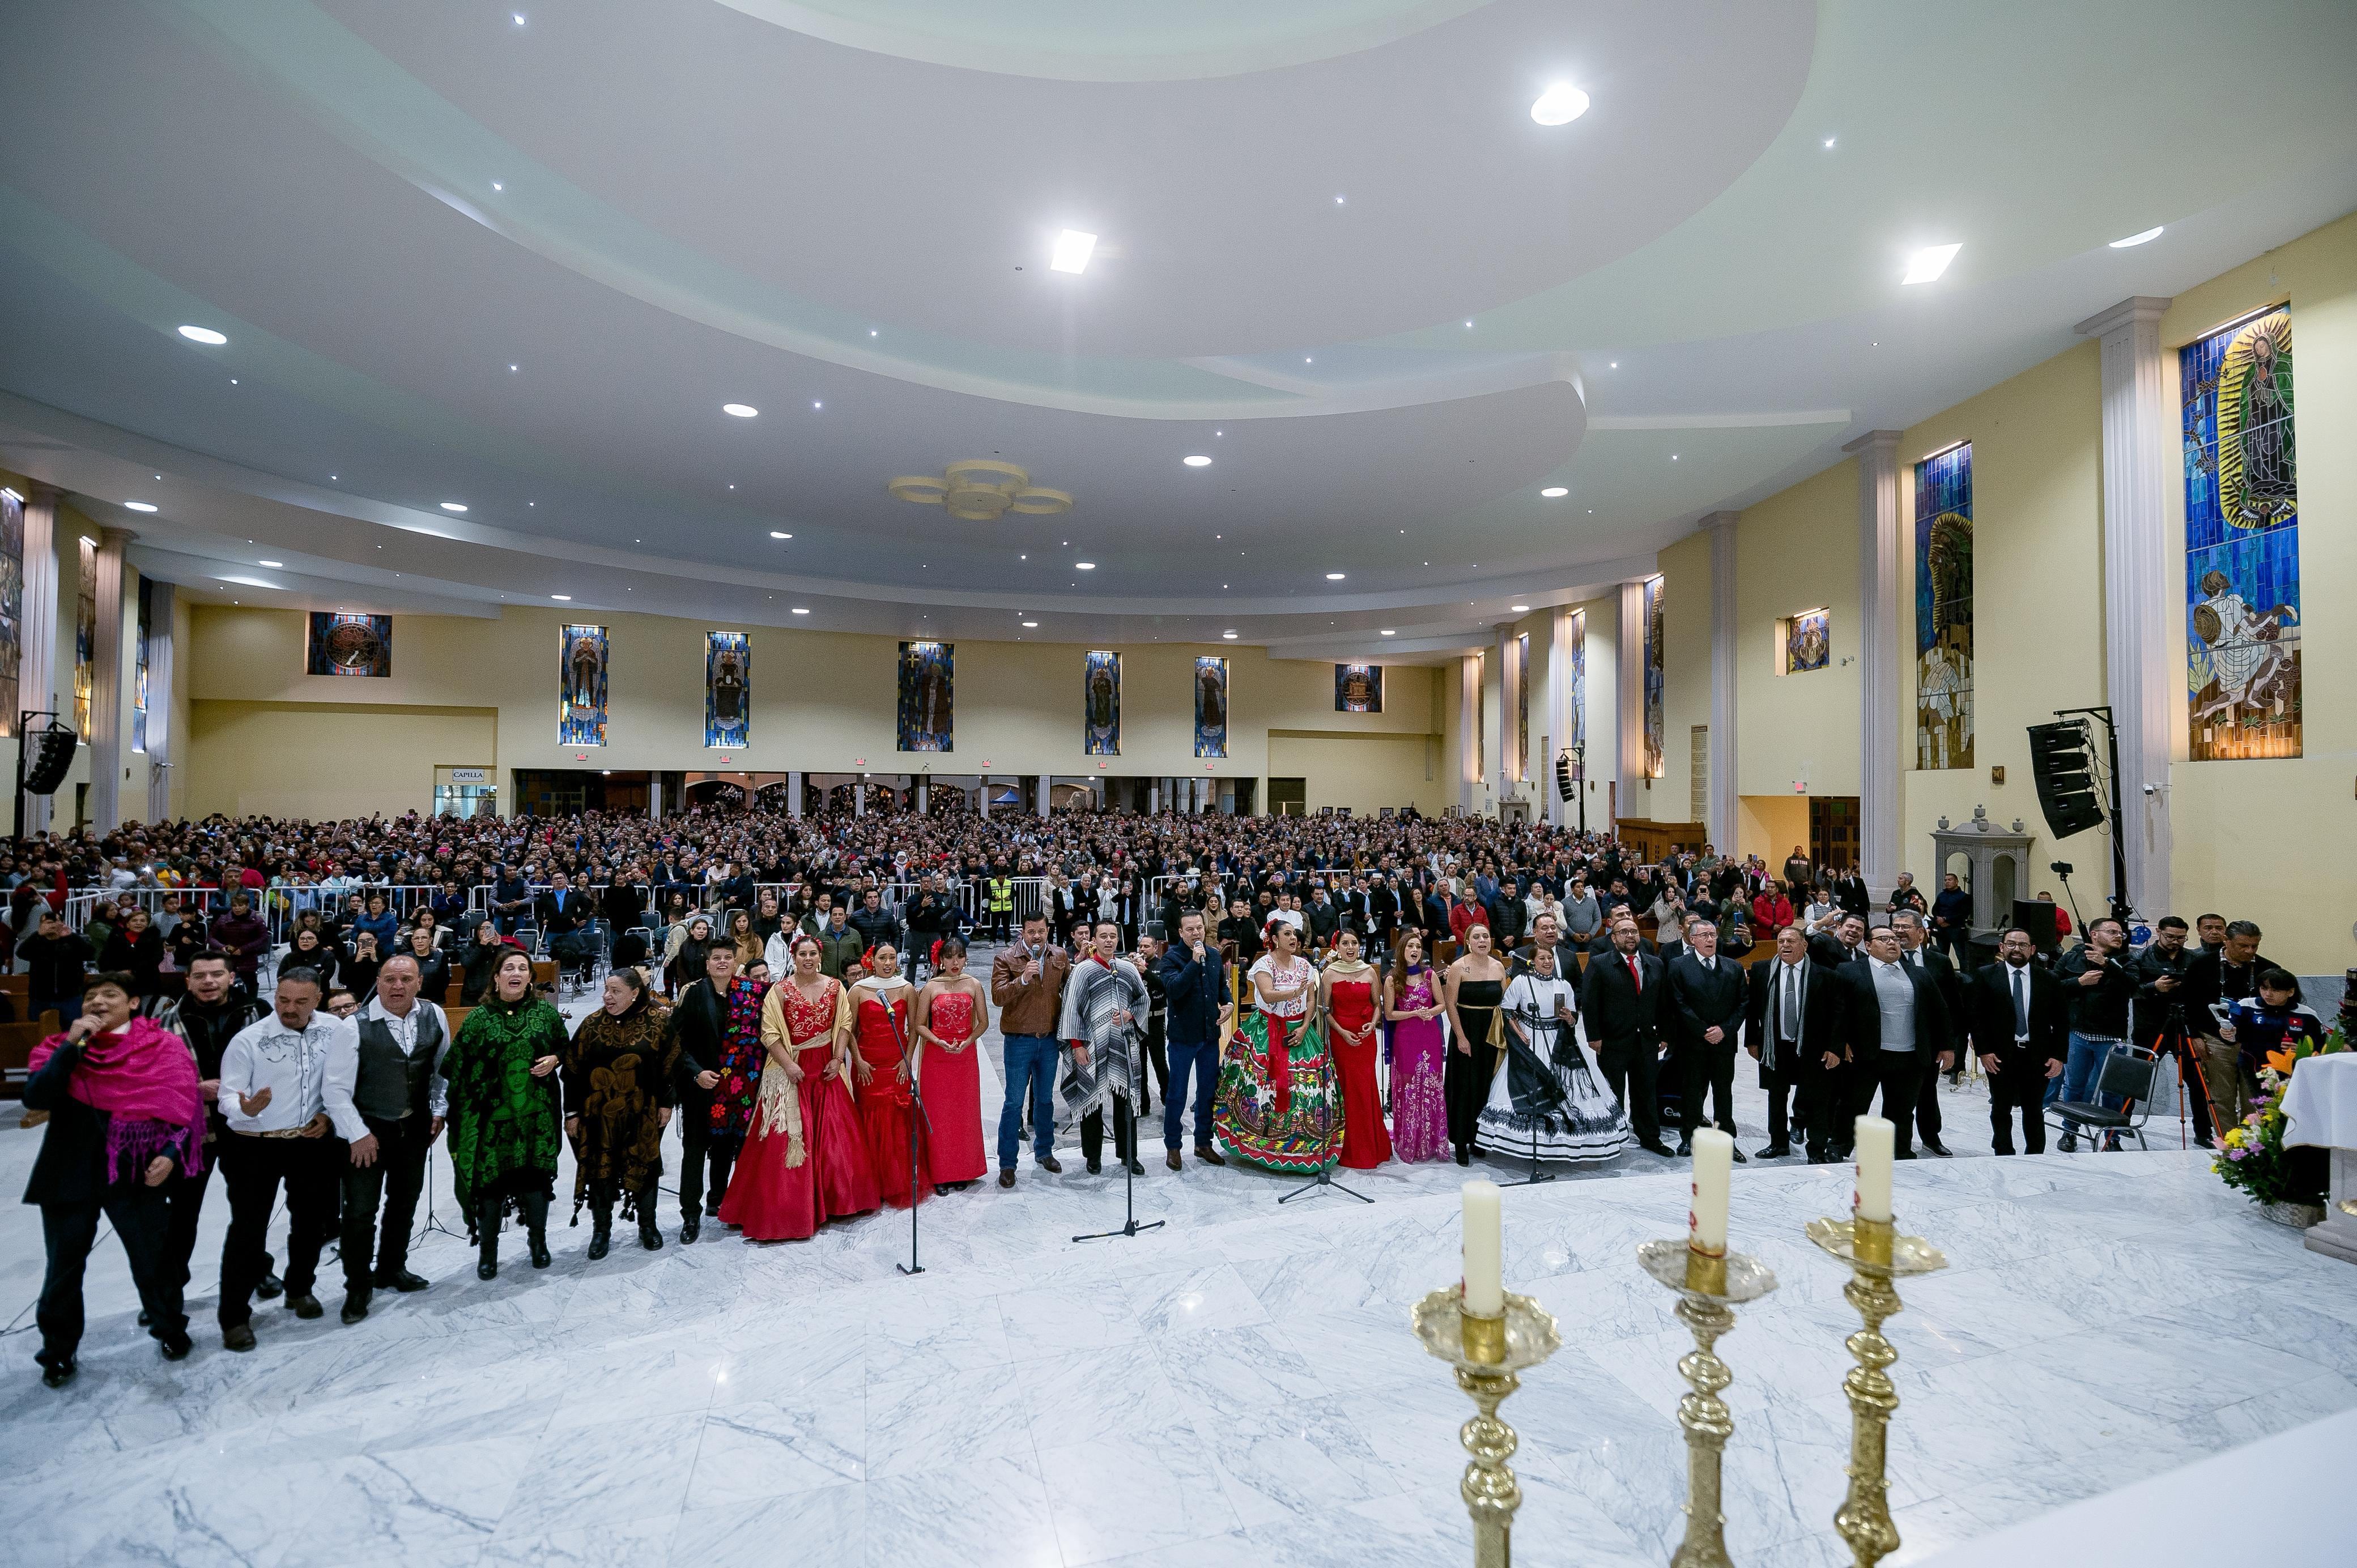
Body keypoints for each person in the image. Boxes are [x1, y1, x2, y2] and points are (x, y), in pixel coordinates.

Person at [23, 972, 201, 1385]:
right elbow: (36, 1098)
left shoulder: (162, 1047)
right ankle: (58, 1352)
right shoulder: (62, 1049)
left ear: (133, 1003)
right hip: (69, 1173)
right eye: (90, 997)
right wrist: (71, 1046)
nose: (98, 1003)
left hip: (136, 1172)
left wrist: (171, 1156)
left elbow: (184, 1107)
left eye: (110, 995)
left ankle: (170, 1329)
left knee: (153, 1261)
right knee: (63, 1269)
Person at [215, 966, 344, 1348]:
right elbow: (226, 1095)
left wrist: (328, 1115)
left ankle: (300, 1289)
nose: (290, 1008)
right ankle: (234, 1316)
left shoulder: (336, 1032)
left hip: (310, 1142)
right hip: (256, 1145)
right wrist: (246, 1109)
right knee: (247, 1231)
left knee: (310, 1224)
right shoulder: (249, 1041)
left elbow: (341, 1082)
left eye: (301, 1002)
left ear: (318, 999)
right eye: (283, 1000)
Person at [720, 932, 878, 1238]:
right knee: (787, 1139)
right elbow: (769, 1034)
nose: (808, 959)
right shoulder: (779, 991)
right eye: (802, 954)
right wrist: (789, 1065)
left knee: (834, 1133)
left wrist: (837, 1059)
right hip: (791, 1068)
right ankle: (788, 1210)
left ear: (820, 957)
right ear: (794, 958)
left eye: (813, 954)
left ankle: (838, 1201)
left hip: (826, 1069)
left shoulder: (835, 987)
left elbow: (844, 1024)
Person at [322, 952, 450, 1324]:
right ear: (377, 982)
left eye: (406, 980)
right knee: (361, 1213)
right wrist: (357, 1134)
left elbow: (442, 1068)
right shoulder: (353, 1026)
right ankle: (357, 1287)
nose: (397, 986)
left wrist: (439, 1110)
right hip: (366, 1130)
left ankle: (392, 1268)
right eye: (390, 980)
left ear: (419, 983)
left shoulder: (434, 1015)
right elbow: (335, 1090)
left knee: (403, 1204)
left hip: (413, 1128)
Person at [440, 948, 565, 1278]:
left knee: (536, 1180)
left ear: (530, 979)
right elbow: (455, 1065)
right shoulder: (479, 1018)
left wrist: (554, 1059)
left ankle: (538, 1243)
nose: (516, 972)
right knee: (492, 1184)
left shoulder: (545, 1014)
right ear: (496, 978)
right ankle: (488, 1252)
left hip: (537, 1118)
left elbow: (563, 1046)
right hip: (490, 1120)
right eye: (508, 967)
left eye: (523, 968)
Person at [561, 969, 676, 1259]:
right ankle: (602, 1231)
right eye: (605, 990)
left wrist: (667, 1103)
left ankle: (647, 1226)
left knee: (646, 1166)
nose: (606, 997)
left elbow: (670, 1066)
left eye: (615, 991)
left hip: (644, 1114)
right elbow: (572, 1072)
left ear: (635, 993)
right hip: (599, 1117)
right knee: (602, 1170)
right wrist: (571, 1112)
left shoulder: (659, 1021)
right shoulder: (592, 1024)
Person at [1477, 942, 1627, 1163]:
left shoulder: (1562, 985)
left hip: (1557, 1041)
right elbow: (1507, 1011)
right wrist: (1520, 1035)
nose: (1547, 962)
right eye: (1542, 959)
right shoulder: (1522, 982)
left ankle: (1566, 1144)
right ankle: (1532, 1145)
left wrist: (1569, 1018)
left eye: (1549, 959)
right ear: (1533, 963)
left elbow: (1572, 1016)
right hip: (1530, 1039)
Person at [1215, 920, 1336, 1172]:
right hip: (1268, 1029)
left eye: (1295, 934)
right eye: (1287, 934)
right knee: (1263, 1085)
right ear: (1275, 939)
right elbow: (1268, 995)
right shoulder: (1263, 965)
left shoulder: (1304, 964)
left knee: (1306, 1088)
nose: (1293, 938)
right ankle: (1264, 1144)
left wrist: (1304, 1027)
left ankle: (1305, 1144)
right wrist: (1294, 993)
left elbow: (1311, 1000)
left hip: (1300, 1029)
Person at [670, 941, 766, 1239]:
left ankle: (718, 1200)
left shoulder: (750, 993)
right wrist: (696, 1073)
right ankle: (690, 1215)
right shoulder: (695, 994)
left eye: (727, 957)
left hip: (737, 1086)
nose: (722, 962)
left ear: (736, 961)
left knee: (726, 1147)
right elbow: (676, 1041)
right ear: (707, 963)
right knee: (695, 1150)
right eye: (716, 958)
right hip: (701, 1085)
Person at [1832, 926, 1952, 1158]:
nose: (1892, 943)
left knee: (1902, 1110)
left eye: (1895, 939)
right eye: (1884, 939)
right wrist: (1840, 1042)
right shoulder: (1849, 971)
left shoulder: (1918, 973)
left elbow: (1940, 1011)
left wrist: (1947, 1046)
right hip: (1866, 1053)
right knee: (1853, 1105)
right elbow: (1838, 1011)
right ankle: (1839, 1147)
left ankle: (1899, 1151)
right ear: (1868, 945)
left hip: (1909, 1055)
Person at [2182, 920, 2295, 1130]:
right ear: (2227, 941)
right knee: (2220, 1096)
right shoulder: (2201, 965)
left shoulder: (2268, 968)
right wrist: (2195, 1037)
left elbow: (2283, 1007)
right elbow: (2189, 1004)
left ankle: (2250, 1145)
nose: (2249, 951)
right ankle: (2228, 1146)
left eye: (2254, 946)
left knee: (2253, 1097)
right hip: (2215, 1040)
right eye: (2243, 946)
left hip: (2257, 1043)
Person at [1058, 922, 1149, 1177]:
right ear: (1094, 940)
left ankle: (1129, 1156)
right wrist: (1076, 1046)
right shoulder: (1083, 971)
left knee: (1126, 1103)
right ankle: (1093, 1156)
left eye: (1113, 937)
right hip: (1091, 1046)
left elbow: (1144, 999)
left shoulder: (1128, 970)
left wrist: (1131, 1014)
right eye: (1103, 936)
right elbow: (1070, 1008)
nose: (1109, 941)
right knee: (1092, 1101)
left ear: (1118, 940)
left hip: (1122, 1044)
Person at [1965, 928, 2067, 1155]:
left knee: (2034, 1109)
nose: (2017, 949)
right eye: (2011, 944)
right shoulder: (1986, 975)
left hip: (2037, 1054)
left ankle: (2035, 1153)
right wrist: (1984, 1051)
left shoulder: (2048, 979)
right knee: (2001, 1107)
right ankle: (2003, 1150)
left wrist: (2059, 1056)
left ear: (2032, 950)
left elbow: (2061, 1021)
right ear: (2002, 947)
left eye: (2023, 945)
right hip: (2001, 1054)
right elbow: (1976, 1017)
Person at [1580, 918, 1673, 1156]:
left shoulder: (1655, 963)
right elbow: (1590, 1003)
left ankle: (1650, 1137)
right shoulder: (1600, 964)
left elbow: (1663, 1003)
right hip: (1613, 1040)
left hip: (1646, 1040)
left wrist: (1664, 1033)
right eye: (1624, 932)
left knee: (1646, 1090)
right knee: (1613, 1091)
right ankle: (1612, 1138)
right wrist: (1594, 1037)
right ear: (1614, 938)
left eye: (1634, 931)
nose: (1630, 936)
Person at [1745, 926, 1836, 1161]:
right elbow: (1753, 1009)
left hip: (1812, 1048)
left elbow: (1837, 1014)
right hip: (1775, 1047)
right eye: (1781, 941)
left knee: (1817, 1099)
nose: (1785, 945)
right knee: (1776, 1097)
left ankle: (1816, 1149)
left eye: (1791, 941)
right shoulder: (1762, 970)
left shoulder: (1824, 975)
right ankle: (1778, 1143)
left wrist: (1834, 1047)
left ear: (1804, 945)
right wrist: (1752, 1042)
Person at [992, 914, 1070, 1186]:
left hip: (1048, 1040)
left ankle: (1045, 1151)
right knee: (1014, 1102)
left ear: (1048, 930)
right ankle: (1007, 1163)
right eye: (1031, 932)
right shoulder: (1006, 958)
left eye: (1041, 931)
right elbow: (998, 997)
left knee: (1045, 1100)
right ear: (1022, 933)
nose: (1037, 936)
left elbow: (1069, 990)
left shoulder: (1059, 956)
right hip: (1018, 1040)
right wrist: (1023, 979)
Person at [850, 943, 931, 1205]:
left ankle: (897, 1181)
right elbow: (848, 1031)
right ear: (871, 961)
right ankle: (870, 1182)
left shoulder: (907, 988)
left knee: (897, 1121)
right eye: (882, 958)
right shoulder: (858, 990)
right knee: (869, 1119)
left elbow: (914, 1028)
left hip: (896, 1066)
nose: (887, 963)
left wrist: (906, 1061)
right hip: (868, 1067)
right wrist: (858, 1061)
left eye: (892, 958)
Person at [2051, 916, 2140, 1150]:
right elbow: (2051, 988)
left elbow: (2134, 987)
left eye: (2120, 933)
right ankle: (2069, 1132)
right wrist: (2078, 982)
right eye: (2112, 932)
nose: (2118, 936)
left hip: (2111, 1038)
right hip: (2078, 1034)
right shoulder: (2072, 957)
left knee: (2112, 1090)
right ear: (2095, 935)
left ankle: (2112, 1138)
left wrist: (2107, 964)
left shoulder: (2127, 961)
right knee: (2074, 1088)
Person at [1665, 919, 1746, 1160]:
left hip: (1724, 1043)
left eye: (1713, 935)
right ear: (1692, 940)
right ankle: (1689, 1137)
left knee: (1724, 1092)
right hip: (1692, 1043)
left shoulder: (1732, 967)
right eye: (1705, 936)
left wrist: (1724, 1030)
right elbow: (1678, 1004)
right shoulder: (1678, 966)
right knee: (1691, 1091)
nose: (1711, 940)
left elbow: (1743, 1003)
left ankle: (1727, 1139)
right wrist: (1704, 1031)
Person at [913, 938, 989, 1188]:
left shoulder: (974, 984)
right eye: (949, 957)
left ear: (966, 958)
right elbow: (919, 1025)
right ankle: (939, 1173)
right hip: (937, 1056)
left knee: (963, 1113)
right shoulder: (931, 987)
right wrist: (939, 1041)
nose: (955, 963)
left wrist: (968, 1042)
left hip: (965, 1057)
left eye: (960, 957)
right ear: (941, 960)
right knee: (938, 1114)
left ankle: (963, 1170)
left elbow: (984, 1023)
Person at [1157, 911, 1229, 1169]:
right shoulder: (1171, 959)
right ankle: (1173, 1146)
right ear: (1181, 932)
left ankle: (1203, 1143)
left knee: (1207, 1092)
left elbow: (1221, 986)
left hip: (1209, 1036)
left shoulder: (1213, 955)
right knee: (1177, 1093)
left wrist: (1229, 1003)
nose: (1196, 933)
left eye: (1199, 928)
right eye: (1190, 929)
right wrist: (1193, 962)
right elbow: (1175, 990)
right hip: (1183, 1038)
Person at [2131, 916, 2212, 1147]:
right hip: (2150, 1026)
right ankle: (2122, 1123)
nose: (2176, 942)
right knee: (2137, 1077)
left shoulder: (2195, 959)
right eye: (2170, 937)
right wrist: (2154, 987)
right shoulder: (2140, 957)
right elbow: (2130, 989)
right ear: (2158, 932)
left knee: (2196, 1081)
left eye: (2181, 938)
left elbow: (2202, 995)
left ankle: (2203, 1132)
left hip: (2185, 1025)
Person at [1892, 911, 1964, 1157]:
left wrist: (1950, 1045)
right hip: (1894, 1039)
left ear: (1921, 932)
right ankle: (1898, 1143)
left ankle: (1931, 1138)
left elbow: (1953, 1007)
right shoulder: (1888, 961)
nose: (1899, 932)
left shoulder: (1940, 962)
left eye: (1905, 927)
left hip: (1928, 1042)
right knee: (1897, 1095)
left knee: (1927, 1091)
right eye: (1896, 927)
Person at [1321, 930, 1390, 1169]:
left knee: (1366, 1087)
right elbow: (1325, 1010)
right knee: (1348, 1090)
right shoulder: (1329, 974)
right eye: (1345, 944)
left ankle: (1372, 1147)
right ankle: (1348, 1148)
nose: (1350, 947)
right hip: (1342, 1038)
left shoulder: (1370, 971)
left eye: (1354, 943)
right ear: (1337, 947)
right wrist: (1341, 1032)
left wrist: (1373, 1023)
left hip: (1365, 1038)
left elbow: (1377, 1005)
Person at [1441, 924, 1507, 1166]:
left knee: (1485, 1085)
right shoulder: (1459, 967)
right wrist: (1460, 1036)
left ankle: (1479, 1138)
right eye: (1476, 937)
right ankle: (1460, 1141)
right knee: (1464, 1086)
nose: (1482, 940)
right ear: (1468, 941)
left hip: (1491, 1033)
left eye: (1486, 936)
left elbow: (1506, 1002)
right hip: (1466, 1030)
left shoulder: (1499, 966)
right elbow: (1450, 1005)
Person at [1385, 931, 1450, 1162]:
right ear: (1402, 951)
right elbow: (1390, 1014)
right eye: (1410, 946)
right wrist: (1414, 1013)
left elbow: (1441, 1005)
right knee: (1410, 1087)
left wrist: (1429, 1012)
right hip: (1405, 1037)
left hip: (1429, 1034)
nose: (1415, 950)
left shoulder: (1430, 975)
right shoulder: (1393, 979)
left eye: (1418, 947)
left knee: (1431, 1086)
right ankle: (1410, 1141)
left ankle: (1431, 1142)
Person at [20, 909, 95, 1024]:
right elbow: (22, 953)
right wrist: (38, 934)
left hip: (71, 996)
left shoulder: (72, 940)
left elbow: (90, 955)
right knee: (38, 1030)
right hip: (40, 997)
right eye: (48, 923)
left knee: (75, 1032)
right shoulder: (36, 941)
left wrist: (70, 937)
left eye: (56, 921)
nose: (53, 925)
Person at [209, 893, 271, 988]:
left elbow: (264, 938)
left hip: (248, 956)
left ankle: (252, 1002)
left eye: (241, 906)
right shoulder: (223, 920)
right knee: (225, 984)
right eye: (234, 906)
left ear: (247, 906)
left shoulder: (257, 921)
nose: (237, 908)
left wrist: (244, 949)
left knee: (251, 984)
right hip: (228, 956)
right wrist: (221, 947)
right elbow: (211, 938)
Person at [100, 906, 166, 994]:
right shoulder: (115, 938)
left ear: (147, 924)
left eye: (143, 921)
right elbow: (105, 958)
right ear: (128, 924)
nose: (138, 923)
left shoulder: (154, 939)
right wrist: (118, 973)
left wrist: (133, 971)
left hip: (147, 982)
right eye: (134, 921)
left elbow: (156, 958)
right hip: (119, 981)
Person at [460, 918, 507, 1004]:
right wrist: (481, 946)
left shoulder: (500, 947)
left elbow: (506, 964)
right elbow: (468, 964)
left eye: (488, 928)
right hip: (472, 995)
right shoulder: (467, 949)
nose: (485, 932)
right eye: (482, 929)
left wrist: (498, 947)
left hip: (494, 993)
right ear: (477, 932)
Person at [1929, 873, 1972, 960]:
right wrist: (1939, 919)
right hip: (1941, 929)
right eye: (1946, 880)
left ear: (1956, 882)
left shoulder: (1964, 897)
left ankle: (1965, 974)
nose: (1947, 882)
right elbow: (1935, 909)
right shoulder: (1941, 895)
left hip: (1956, 929)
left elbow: (1963, 914)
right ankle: (1944, 974)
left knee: (1961, 956)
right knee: (1942, 955)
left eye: (1950, 880)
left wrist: (1946, 920)